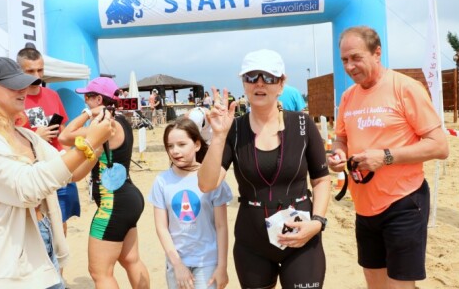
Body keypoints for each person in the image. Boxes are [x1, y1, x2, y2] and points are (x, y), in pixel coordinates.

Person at [0, 56, 113, 288]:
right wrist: (88, 143)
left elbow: (70, 173)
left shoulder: (26, 135)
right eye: (13, 84)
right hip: (13, 261)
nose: (24, 89)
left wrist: (98, 145)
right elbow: (29, 187)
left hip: (46, 245)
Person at [327, 26, 449, 289]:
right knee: (376, 285)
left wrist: (385, 157)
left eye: (356, 58)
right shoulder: (348, 97)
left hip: (403, 202)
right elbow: (342, 138)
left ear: (377, 53)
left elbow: (440, 146)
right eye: (344, 60)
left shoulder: (405, 88)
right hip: (364, 207)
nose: (349, 66)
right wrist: (337, 153)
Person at [198, 49, 331, 288]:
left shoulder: (303, 125)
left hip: (301, 235)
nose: (260, 83)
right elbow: (206, 184)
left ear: (281, 83)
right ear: (244, 83)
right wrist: (218, 137)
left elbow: (321, 180)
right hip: (252, 242)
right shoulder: (234, 130)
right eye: (252, 77)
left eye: (268, 77)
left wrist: (318, 222)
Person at [58, 77, 150, 289]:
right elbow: (80, 173)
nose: (85, 102)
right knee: (130, 260)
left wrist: (89, 113)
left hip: (113, 205)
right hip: (129, 197)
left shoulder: (108, 126)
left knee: (100, 273)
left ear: (99, 99)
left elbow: (65, 136)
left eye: (88, 98)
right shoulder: (121, 123)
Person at [149, 118, 232, 289]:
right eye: (170, 146)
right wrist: (177, 265)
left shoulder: (213, 179)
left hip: (207, 262)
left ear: (197, 145)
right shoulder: (162, 181)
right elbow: (161, 228)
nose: (175, 151)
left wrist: (222, 267)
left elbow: (221, 226)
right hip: (176, 262)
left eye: (181, 144)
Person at [17, 45, 81, 241]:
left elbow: (62, 130)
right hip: (33, 170)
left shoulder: (52, 95)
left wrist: (70, 160)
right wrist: (37, 137)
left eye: (40, 70)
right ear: (19, 71)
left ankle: (59, 271)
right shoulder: (15, 99)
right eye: (30, 71)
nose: (37, 75)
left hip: (58, 165)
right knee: (37, 226)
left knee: (60, 224)